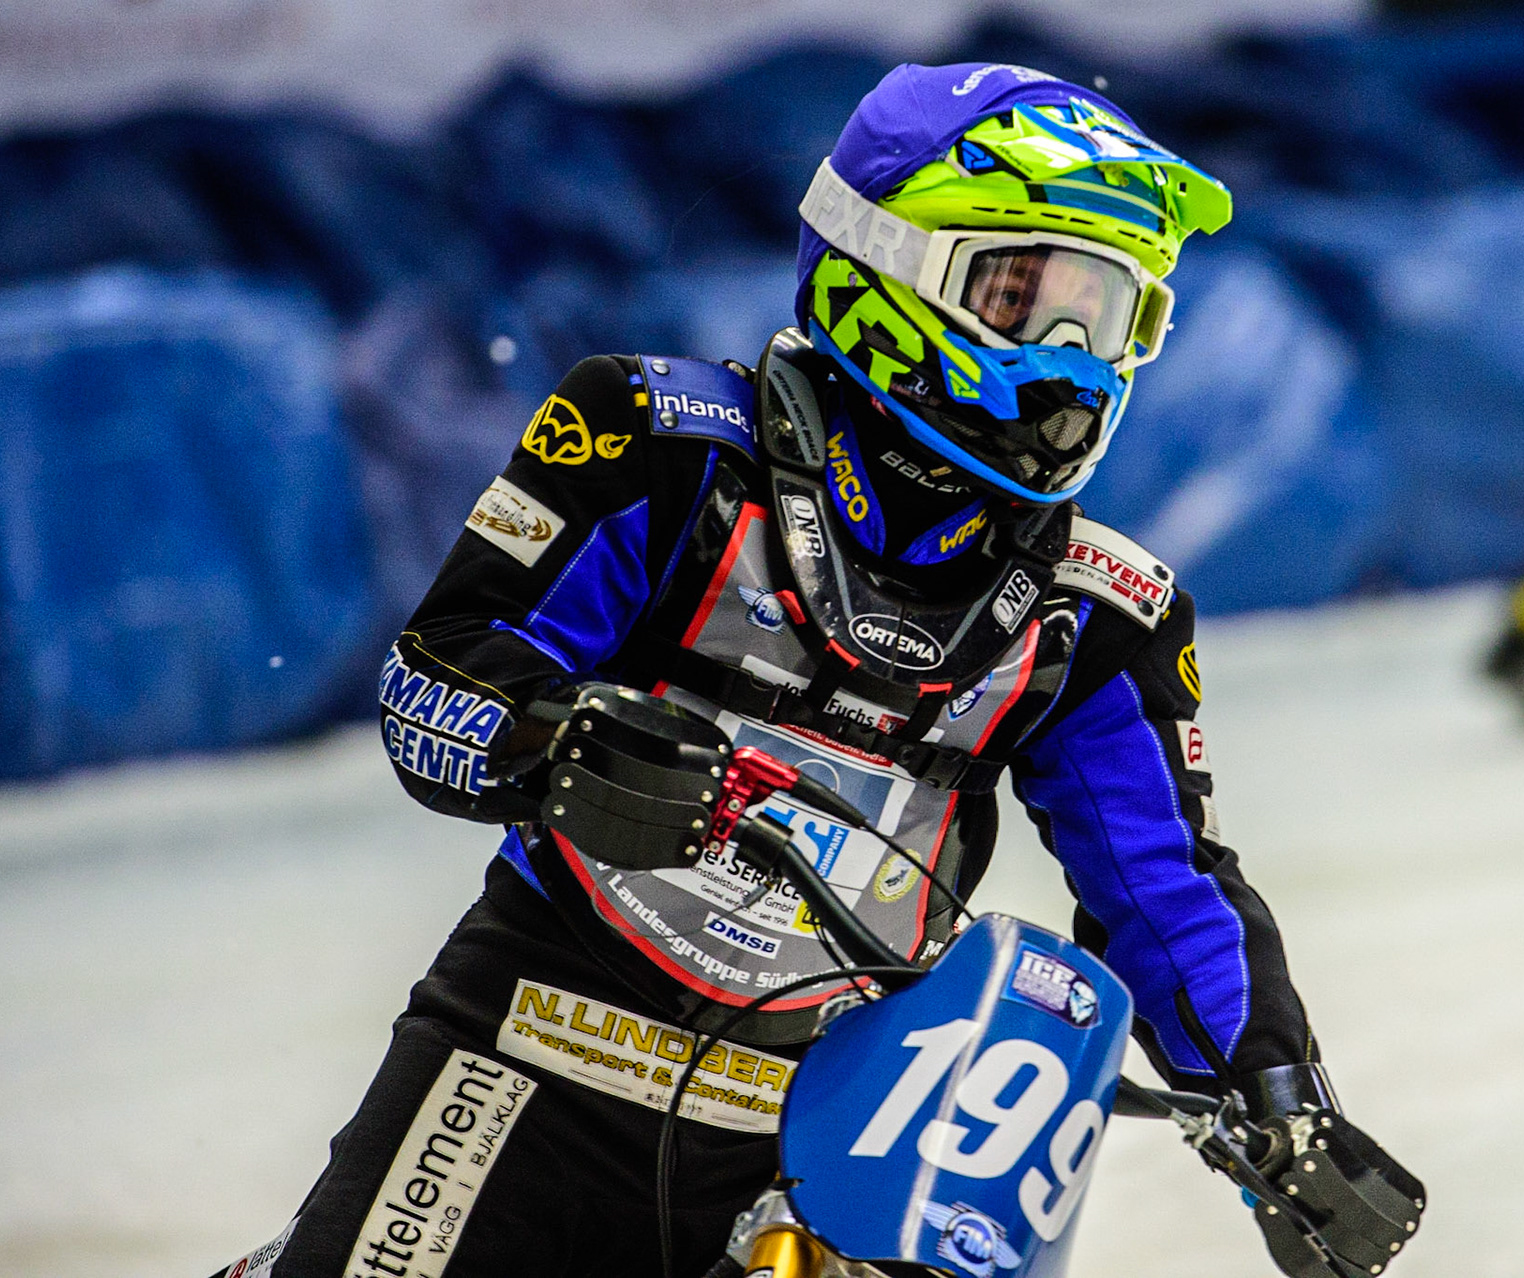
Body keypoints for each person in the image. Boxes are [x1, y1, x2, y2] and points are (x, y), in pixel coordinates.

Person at [215, 62, 1418, 1278]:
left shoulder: (1103, 612)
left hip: (830, 1130)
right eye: (1022, 296)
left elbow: (1164, 888)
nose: (1070, 362)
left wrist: (1281, 1099)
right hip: (531, 1043)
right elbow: (435, 683)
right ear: (879, 267)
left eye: (1105, 320)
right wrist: (561, 739)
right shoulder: (656, 443)